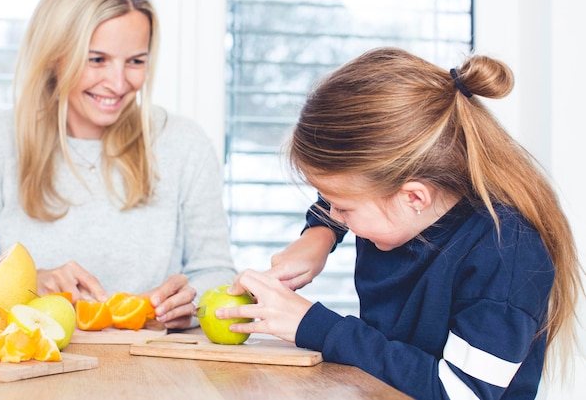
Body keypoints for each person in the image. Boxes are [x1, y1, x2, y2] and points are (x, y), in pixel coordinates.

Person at [217, 47, 584, 399]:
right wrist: (319, 235)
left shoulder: (507, 255)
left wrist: (313, 325)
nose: (335, 213)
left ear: (414, 197)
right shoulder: (401, 206)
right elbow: (348, 192)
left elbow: (457, 391)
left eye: (342, 209)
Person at [0, 0, 236, 330]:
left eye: (135, 61)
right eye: (96, 60)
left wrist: (191, 299)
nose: (118, 83)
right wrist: (28, 284)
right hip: (30, 362)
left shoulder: (184, 144)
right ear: (54, 55)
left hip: (153, 367)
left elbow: (217, 272)